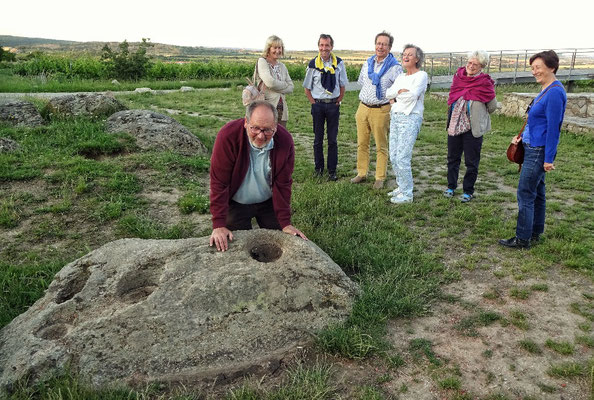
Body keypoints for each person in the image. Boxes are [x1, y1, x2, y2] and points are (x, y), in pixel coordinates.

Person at [209, 101, 307, 252]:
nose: (261, 136)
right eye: (255, 128)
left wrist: (285, 223)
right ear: (246, 122)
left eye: (268, 130)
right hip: (236, 202)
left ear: (276, 126)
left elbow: (283, 184)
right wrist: (219, 224)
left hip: (268, 202)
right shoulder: (228, 136)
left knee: (278, 242)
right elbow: (219, 183)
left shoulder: (284, 140)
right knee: (237, 248)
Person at [499, 50, 567, 249]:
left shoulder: (554, 92)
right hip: (531, 145)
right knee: (537, 192)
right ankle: (535, 231)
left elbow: (554, 128)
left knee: (525, 193)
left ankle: (522, 238)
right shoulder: (546, 89)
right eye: (532, 68)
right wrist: (521, 137)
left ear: (551, 67)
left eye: (538, 67)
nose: (534, 71)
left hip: (539, 149)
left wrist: (549, 158)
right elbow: (537, 122)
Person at [351, 31, 402, 189]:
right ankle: (362, 173)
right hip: (363, 108)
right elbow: (362, 82)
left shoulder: (394, 67)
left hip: (381, 109)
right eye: (378, 43)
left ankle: (380, 177)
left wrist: (391, 102)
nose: (380, 47)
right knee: (362, 143)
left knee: (381, 145)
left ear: (389, 47)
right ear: (375, 45)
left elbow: (399, 89)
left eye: (384, 44)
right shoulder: (368, 63)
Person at [444, 50, 497, 203]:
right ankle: (451, 186)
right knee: (452, 158)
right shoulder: (458, 78)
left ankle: (468, 190)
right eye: (469, 63)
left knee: (471, 162)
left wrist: (478, 106)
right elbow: (452, 97)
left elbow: (492, 107)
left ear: (482, 66)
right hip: (454, 125)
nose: (471, 66)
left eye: (475, 64)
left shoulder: (485, 83)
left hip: (473, 128)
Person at [384, 44, 428, 203]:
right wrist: (398, 93)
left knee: (402, 156)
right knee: (394, 155)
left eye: (410, 54)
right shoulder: (401, 77)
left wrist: (397, 96)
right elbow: (388, 94)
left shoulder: (421, 75)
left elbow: (412, 96)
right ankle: (401, 187)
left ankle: (407, 194)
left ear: (417, 59)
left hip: (410, 117)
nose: (406, 56)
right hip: (396, 116)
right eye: (404, 54)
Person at [303, 34, 348, 181]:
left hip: (333, 105)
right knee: (318, 139)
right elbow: (307, 87)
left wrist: (339, 100)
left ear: (331, 47)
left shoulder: (339, 63)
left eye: (327, 45)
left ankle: (332, 170)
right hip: (318, 105)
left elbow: (342, 84)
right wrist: (313, 103)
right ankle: (319, 169)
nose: (324, 48)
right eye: (321, 45)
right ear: (318, 46)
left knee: (332, 140)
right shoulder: (312, 65)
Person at [255, 35, 294, 127]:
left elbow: (291, 87)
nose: (278, 51)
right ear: (268, 49)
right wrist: (285, 85)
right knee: (266, 135)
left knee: (280, 137)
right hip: (266, 107)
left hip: (282, 110)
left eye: (279, 48)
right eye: (275, 48)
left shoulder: (282, 66)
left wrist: (277, 86)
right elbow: (270, 83)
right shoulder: (262, 62)